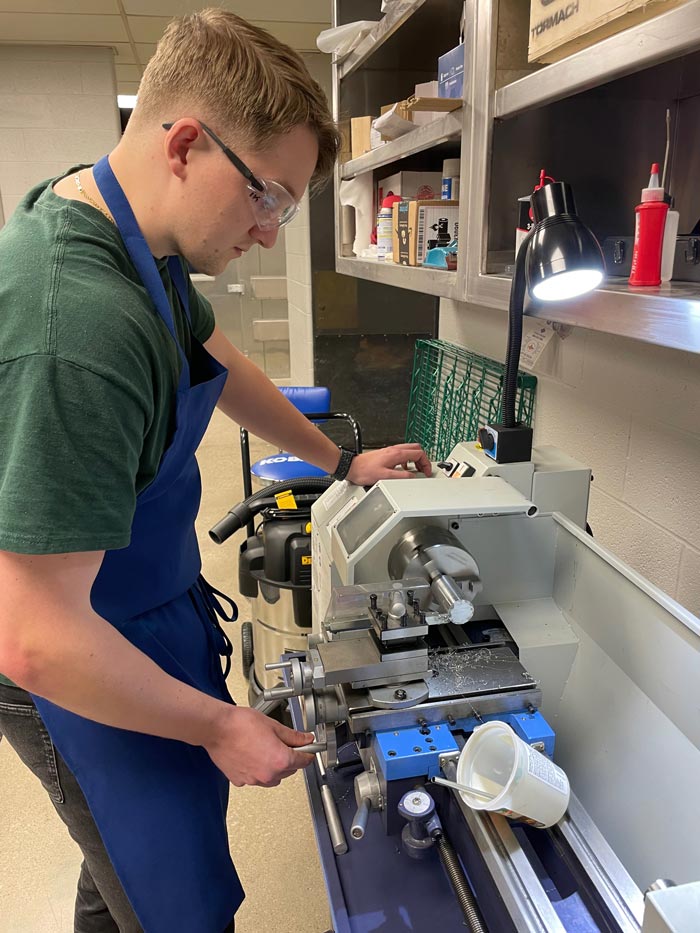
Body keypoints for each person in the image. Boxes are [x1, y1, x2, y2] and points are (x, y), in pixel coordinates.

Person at [0, 9, 431, 933]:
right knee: (172, 897)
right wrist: (216, 724)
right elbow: (32, 635)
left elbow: (215, 357)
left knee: (119, 863)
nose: (271, 234)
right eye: (267, 197)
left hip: (134, 607)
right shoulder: (77, 328)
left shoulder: (135, 241)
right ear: (187, 144)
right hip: (73, 656)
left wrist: (342, 461)